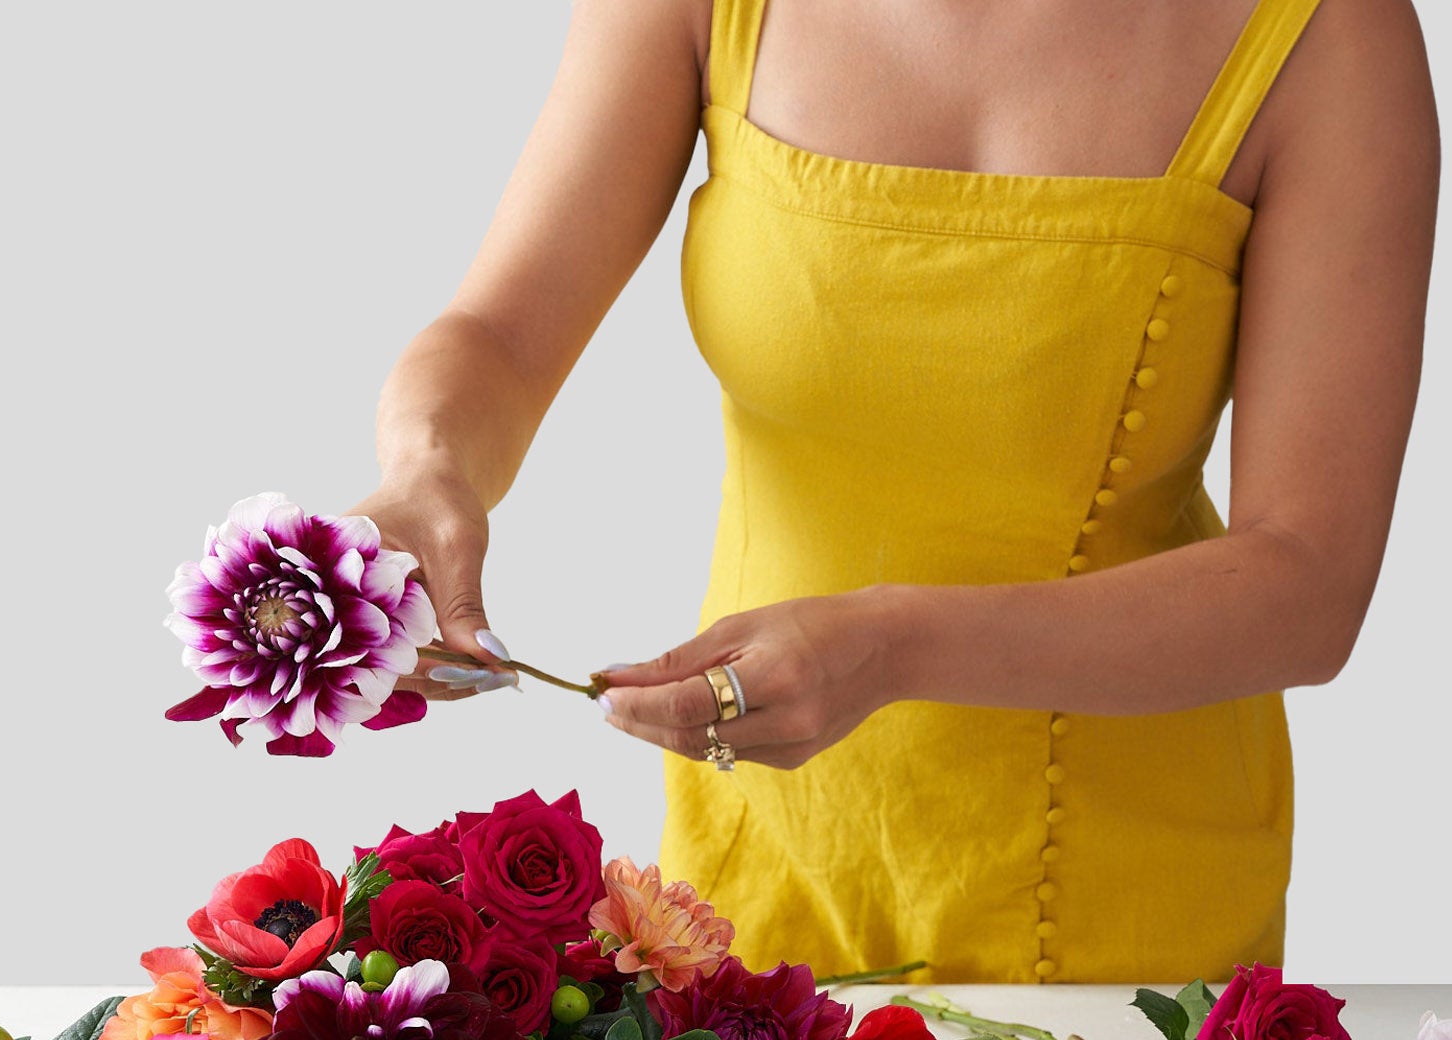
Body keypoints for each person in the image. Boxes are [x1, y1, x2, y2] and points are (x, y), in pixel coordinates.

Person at [348, 0, 1438, 984]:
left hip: (1129, 913)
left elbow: (1309, 580)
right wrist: (430, 467)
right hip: (751, 873)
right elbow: (498, 333)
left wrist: (900, 644)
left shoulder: (1330, 36)